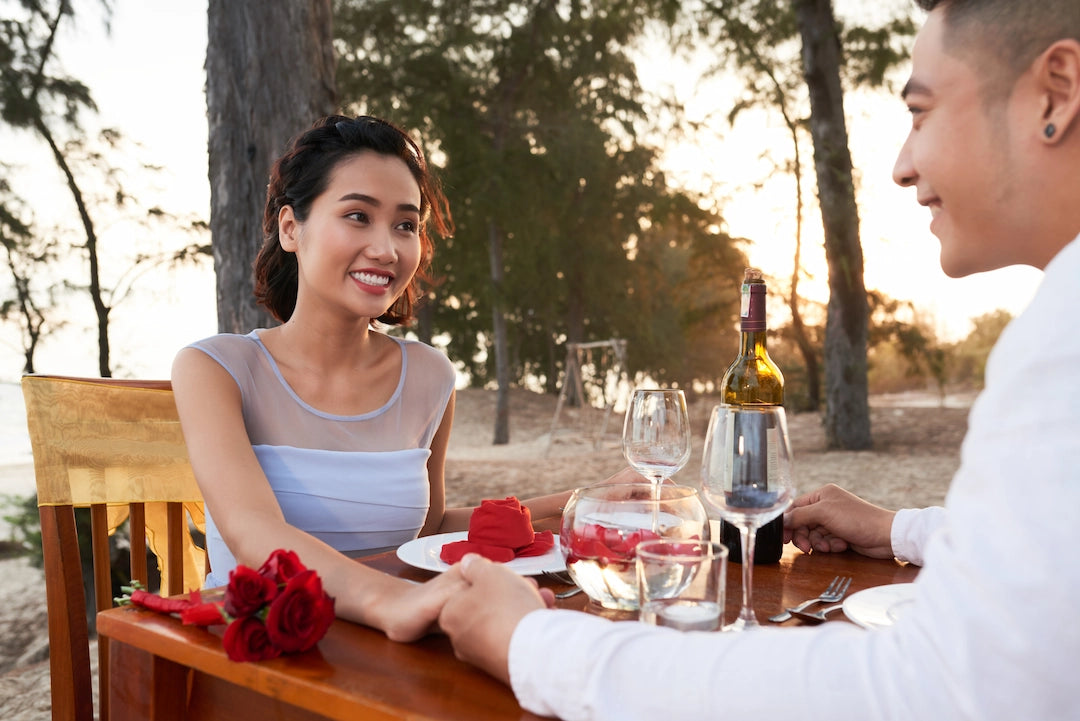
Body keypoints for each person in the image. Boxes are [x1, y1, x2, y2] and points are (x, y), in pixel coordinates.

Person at [437, 0, 1080, 718]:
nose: (902, 164)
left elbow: (936, 688)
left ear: (1054, 94)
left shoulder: (1064, 335)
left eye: (920, 112)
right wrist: (901, 528)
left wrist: (532, 643)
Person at [172, 115, 569, 641]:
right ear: (291, 228)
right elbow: (254, 533)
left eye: (405, 224)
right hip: (266, 650)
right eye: (358, 215)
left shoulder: (429, 376)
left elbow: (423, 533)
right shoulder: (215, 368)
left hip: (390, 648)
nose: (386, 249)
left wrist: (581, 503)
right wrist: (397, 601)